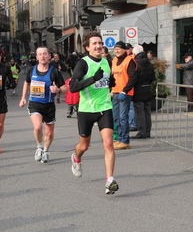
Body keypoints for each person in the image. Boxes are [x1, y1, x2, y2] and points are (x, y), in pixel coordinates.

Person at [69, 31, 119, 195]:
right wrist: (93, 79)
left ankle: (109, 181)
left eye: (100, 43)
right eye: (95, 44)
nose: (98, 46)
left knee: (108, 144)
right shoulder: (83, 64)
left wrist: (110, 83)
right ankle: (76, 158)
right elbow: (73, 87)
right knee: (84, 145)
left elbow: (106, 83)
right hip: (86, 110)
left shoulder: (106, 61)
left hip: (104, 107)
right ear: (87, 47)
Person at [19, 46, 66, 163]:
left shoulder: (54, 71)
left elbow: (65, 88)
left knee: (49, 134)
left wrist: (58, 90)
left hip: (49, 105)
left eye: (45, 54)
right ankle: (39, 147)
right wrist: (23, 98)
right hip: (35, 103)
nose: (43, 56)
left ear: (49, 56)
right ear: (37, 57)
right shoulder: (31, 70)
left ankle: (46, 150)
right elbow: (27, 83)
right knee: (38, 127)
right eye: (40, 54)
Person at [112, 40, 137, 150]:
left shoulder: (129, 61)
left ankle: (125, 141)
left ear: (124, 50)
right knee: (116, 117)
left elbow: (133, 78)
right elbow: (112, 77)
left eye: (119, 49)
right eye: (115, 49)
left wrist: (124, 91)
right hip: (115, 92)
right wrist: (111, 89)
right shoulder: (113, 61)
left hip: (125, 94)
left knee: (123, 117)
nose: (117, 51)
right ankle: (120, 138)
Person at [130, 45, 155, 139]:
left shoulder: (135, 63)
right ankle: (147, 131)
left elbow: (133, 78)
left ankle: (141, 132)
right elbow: (153, 77)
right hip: (147, 89)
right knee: (147, 112)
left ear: (135, 53)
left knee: (139, 112)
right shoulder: (149, 62)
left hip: (138, 90)